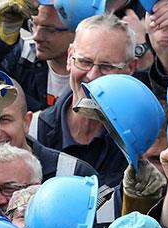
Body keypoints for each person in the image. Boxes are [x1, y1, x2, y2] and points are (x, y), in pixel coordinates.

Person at [30, 13, 138, 189]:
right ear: (69, 57)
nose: (92, 75)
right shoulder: (33, 132)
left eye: (107, 66)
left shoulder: (136, 141)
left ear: (130, 68)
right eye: (85, 62)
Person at [0, 0, 75, 111]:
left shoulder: (89, 71)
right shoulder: (22, 57)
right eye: (33, 25)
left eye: (50, 30)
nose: (36, 36)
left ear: (76, 30)